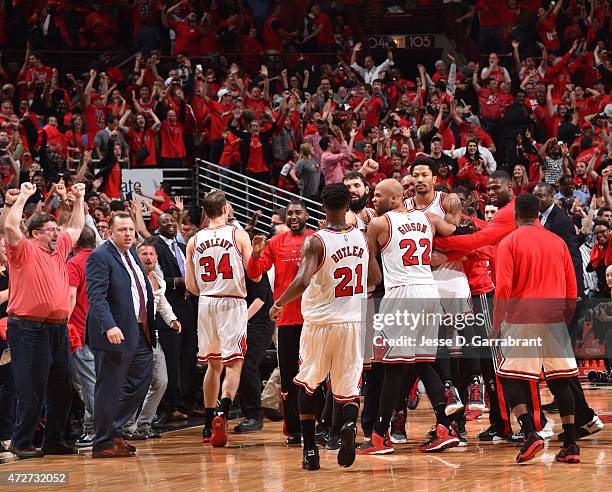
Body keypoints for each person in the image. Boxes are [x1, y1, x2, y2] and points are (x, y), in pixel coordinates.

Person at [269, 183, 381, 470]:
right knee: (348, 387)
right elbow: (375, 278)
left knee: (307, 384)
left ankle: (309, 451)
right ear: (348, 206)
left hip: (320, 323)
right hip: (353, 323)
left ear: (321, 206)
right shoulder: (361, 236)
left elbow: (303, 280)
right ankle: (347, 425)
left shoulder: (315, 241)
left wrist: (279, 303)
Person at [358, 179, 461, 454]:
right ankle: (444, 427)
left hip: (402, 295)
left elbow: (372, 268)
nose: (373, 200)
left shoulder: (379, 224)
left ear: (394, 198)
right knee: (425, 363)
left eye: (378, 196)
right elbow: (453, 228)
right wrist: (457, 207)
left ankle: (379, 436)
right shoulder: (429, 218)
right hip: (429, 291)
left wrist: (372, 287)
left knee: (392, 366)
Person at [494, 193, 581, 464]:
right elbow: (572, 288)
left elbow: (504, 288)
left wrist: (498, 325)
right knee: (561, 380)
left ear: (515, 215)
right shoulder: (557, 242)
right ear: (538, 214)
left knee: (508, 377)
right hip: (555, 319)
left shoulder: (509, 242)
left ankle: (530, 432)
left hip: (524, 318)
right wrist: (563, 318)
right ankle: (570, 444)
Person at [2, 181, 85, 460]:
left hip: (57, 328)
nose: (57, 233)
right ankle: (21, 442)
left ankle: (53, 441)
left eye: (55, 230)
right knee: (32, 386)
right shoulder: (22, 249)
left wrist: (80, 198)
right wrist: (23, 197)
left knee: (61, 387)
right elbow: (11, 227)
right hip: (27, 326)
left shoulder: (59, 247)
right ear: (35, 233)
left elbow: (75, 228)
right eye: (50, 230)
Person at [185, 191, 259, 447]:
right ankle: (222, 414)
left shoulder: (194, 240)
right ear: (226, 208)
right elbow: (256, 276)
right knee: (234, 364)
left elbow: (190, 285)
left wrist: (208, 292)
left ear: (205, 212)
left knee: (212, 365)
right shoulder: (239, 234)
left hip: (206, 303)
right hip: (232, 301)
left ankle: (207, 426)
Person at [86, 212, 155, 458]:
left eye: (130, 230)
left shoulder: (131, 255)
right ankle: (103, 441)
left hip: (138, 330)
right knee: (109, 387)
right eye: (122, 230)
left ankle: (113, 430)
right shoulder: (100, 257)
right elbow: (96, 297)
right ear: (109, 233)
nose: (128, 234)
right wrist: (109, 326)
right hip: (114, 332)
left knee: (141, 381)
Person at [246, 199, 315, 445]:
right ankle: (294, 429)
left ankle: (319, 425)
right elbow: (255, 273)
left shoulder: (317, 239)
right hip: (287, 319)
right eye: (290, 213)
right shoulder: (276, 242)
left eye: (298, 212)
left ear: (307, 215)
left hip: (315, 318)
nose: (294, 216)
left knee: (316, 375)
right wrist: (255, 255)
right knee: (289, 377)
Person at [125, 239, 181, 439]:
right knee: (134, 382)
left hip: (152, 336)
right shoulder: (132, 279)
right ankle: (127, 427)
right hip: (135, 335)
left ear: (157, 258)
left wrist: (172, 319)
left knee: (161, 381)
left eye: (151, 254)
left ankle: (144, 425)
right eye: (144, 254)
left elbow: (162, 303)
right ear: (136, 257)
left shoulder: (159, 279)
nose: (148, 257)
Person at [153, 212, 198, 421]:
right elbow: (159, 280)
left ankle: (187, 403)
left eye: (172, 220)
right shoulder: (155, 247)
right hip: (168, 308)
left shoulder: (181, 247)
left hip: (188, 308)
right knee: (171, 360)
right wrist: (182, 282)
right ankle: (168, 408)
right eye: (165, 221)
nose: (170, 224)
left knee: (188, 358)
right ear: (158, 225)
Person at [67, 226, 97, 448]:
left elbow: (70, 296)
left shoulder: (74, 263)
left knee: (88, 383)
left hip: (78, 331)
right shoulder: (102, 260)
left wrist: (63, 326)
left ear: (74, 244)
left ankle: (94, 430)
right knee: (95, 382)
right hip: (101, 330)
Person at [234, 273, 275, 433]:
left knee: (247, 365)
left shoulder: (253, 264)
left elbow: (260, 299)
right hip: (242, 323)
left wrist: (240, 320)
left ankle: (254, 415)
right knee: (235, 366)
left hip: (260, 323)